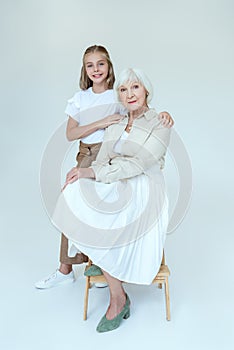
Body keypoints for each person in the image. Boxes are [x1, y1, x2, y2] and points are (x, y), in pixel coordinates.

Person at [35, 45, 174, 289]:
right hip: (90, 154)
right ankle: (69, 266)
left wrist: (162, 114)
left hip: (114, 157)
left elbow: (141, 115)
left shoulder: (117, 94)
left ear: (109, 66)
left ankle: (102, 260)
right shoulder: (82, 98)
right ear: (84, 69)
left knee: (106, 202)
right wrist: (101, 123)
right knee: (75, 196)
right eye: (90, 65)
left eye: (101, 64)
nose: (96, 69)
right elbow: (72, 133)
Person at [52, 67, 171, 332]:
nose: (130, 94)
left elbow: (140, 164)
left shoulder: (160, 123)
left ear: (146, 90)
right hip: (114, 178)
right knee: (74, 191)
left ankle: (116, 297)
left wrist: (95, 172)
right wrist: (88, 173)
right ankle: (111, 275)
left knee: (118, 207)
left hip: (144, 184)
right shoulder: (117, 122)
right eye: (124, 89)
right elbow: (104, 156)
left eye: (136, 87)